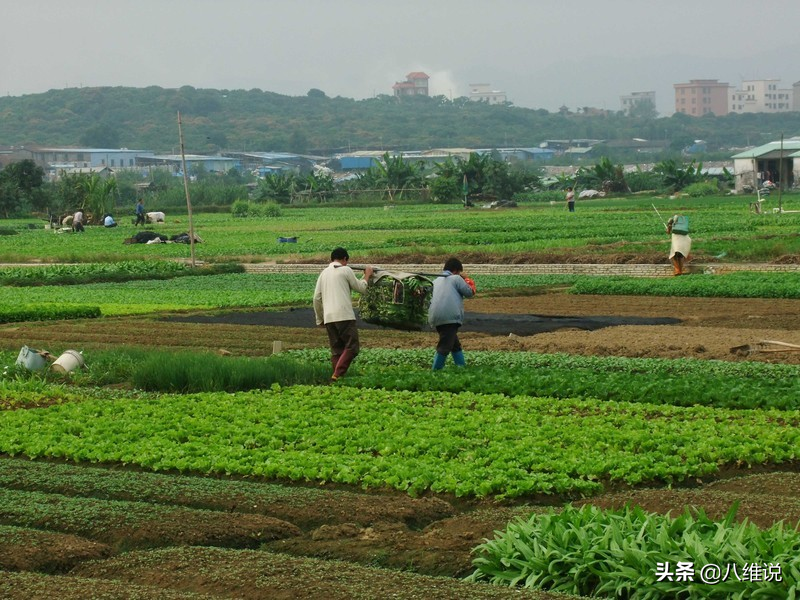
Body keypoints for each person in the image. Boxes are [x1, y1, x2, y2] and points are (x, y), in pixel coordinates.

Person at [313, 247, 374, 382]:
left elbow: (316, 298)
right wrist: (367, 275)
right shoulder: (346, 270)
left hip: (329, 318)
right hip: (344, 315)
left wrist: (320, 319)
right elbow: (362, 288)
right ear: (345, 259)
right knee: (352, 347)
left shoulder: (323, 273)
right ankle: (337, 375)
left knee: (337, 350)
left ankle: (338, 379)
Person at [428, 257, 475, 370]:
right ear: (455, 270)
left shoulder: (435, 281)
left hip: (435, 317)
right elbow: (470, 292)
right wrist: (467, 279)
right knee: (445, 346)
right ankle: (435, 371)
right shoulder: (456, 279)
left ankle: (461, 368)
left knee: (455, 345)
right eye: (459, 272)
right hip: (449, 317)